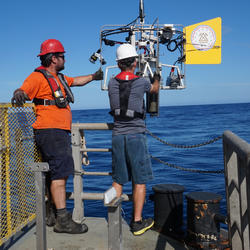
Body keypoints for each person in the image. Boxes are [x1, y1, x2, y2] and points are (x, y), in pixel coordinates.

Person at [11, 39, 103, 234]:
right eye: (62, 56)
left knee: (54, 172)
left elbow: (76, 81)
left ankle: (51, 213)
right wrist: (18, 93)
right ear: (53, 58)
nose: (64, 58)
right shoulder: (37, 77)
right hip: (50, 131)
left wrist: (94, 76)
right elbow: (23, 90)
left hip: (56, 131)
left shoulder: (59, 78)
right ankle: (63, 219)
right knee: (60, 173)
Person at [108, 43, 160, 236]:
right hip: (136, 136)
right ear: (135, 62)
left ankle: (113, 220)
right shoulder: (141, 82)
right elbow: (154, 89)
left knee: (118, 181)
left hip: (117, 136)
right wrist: (156, 77)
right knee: (139, 181)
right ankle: (137, 223)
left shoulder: (112, 82)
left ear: (119, 64)